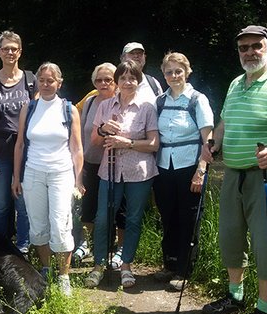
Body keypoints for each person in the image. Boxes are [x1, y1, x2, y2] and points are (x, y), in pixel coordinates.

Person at [201, 25, 267, 314]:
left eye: (256, 46)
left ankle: (263, 310)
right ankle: (235, 295)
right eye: (244, 47)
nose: (249, 52)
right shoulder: (234, 85)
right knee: (230, 237)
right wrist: (215, 141)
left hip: (266, 177)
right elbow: (225, 122)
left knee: (265, 242)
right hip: (232, 173)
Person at [12, 62, 84, 296]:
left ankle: (63, 276)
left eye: (50, 81)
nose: (45, 84)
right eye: (41, 80)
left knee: (61, 223)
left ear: (59, 83)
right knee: (38, 224)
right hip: (32, 172)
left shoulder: (68, 109)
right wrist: (16, 177)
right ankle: (46, 269)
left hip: (61, 173)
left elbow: (77, 148)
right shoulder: (29, 108)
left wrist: (78, 180)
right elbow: (20, 144)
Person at [85, 60, 159, 289]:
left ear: (138, 81)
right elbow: (95, 141)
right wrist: (102, 130)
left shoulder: (147, 106)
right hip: (109, 170)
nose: (127, 82)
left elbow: (154, 144)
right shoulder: (106, 106)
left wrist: (127, 143)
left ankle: (126, 266)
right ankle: (98, 265)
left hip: (139, 172)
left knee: (133, 218)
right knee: (103, 217)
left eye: (132, 78)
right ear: (117, 81)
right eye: (123, 78)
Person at [152, 52, 213, 290]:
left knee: (189, 217)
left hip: (190, 164)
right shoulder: (160, 101)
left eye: (178, 71)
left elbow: (207, 139)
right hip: (164, 164)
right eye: (169, 72)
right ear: (163, 74)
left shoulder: (197, 100)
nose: (174, 76)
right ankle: (170, 264)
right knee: (168, 215)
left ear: (187, 72)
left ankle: (184, 270)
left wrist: (201, 169)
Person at [0, 31, 35, 253]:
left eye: (14, 48)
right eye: (5, 48)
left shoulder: (31, 80)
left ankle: (23, 249)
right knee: (1, 205)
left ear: (20, 51)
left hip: (26, 151)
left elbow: (37, 117)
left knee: (23, 205)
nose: (10, 52)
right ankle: (0, 251)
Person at [73, 63, 117, 265]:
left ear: (116, 80)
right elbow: (79, 132)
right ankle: (89, 244)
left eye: (108, 79)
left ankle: (112, 245)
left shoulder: (121, 101)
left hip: (115, 164)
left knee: (113, 206)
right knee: (88, 207)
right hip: (90, 161)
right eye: (99, 80)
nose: (103, 83)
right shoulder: (89, 102)